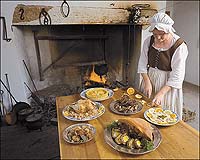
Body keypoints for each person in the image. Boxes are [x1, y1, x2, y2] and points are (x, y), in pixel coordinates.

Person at [137, 12, 188, 120]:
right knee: (145, 110)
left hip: (167, 84)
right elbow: (142, 64)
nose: (158, 37)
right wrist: (146, 82)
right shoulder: (148, 41)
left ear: (169, 30)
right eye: (155, 34)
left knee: (163, 115)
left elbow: (177, 76)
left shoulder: (179, 46)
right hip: (150, 78)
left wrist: (161, 93)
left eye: (162, 34)